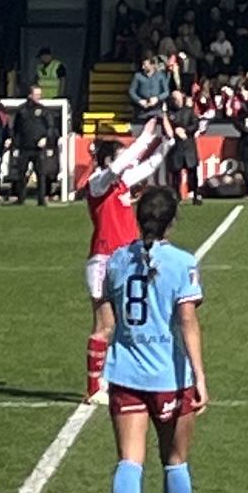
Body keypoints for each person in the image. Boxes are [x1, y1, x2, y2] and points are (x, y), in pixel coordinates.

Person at [97, 187, 207, 493]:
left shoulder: (117, 261)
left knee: (130, 460)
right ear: (172, 221)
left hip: (126, 372)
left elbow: (106, 319)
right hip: (168, 376)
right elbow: (188, 322)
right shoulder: (182, 262)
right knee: (174, 459)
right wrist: (200, 377)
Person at [75, 116, 176, 399]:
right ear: (107, 161)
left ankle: (111, 379)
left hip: (124, 259)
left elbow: (149, 166)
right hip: (104, 260)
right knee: (105, 325)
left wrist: (167, 143)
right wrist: (144, 138)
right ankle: (93, 388)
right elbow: (121, 165)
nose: (127, 162)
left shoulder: (120, 185)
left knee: (124, 325)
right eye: (120, 157)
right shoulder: (98, 182)